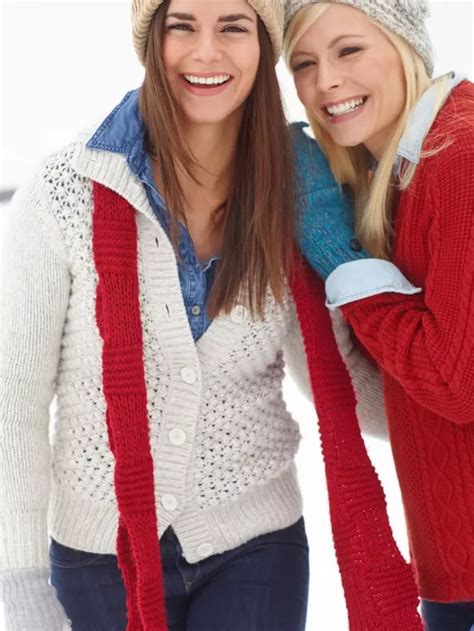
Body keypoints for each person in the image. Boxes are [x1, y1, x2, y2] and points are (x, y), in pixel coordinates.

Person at [0, 0, 391, 629]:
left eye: (233, 27)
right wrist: (19, 583)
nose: (206, 51)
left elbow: (343, 380)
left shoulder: (298, 194)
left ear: (263, 46)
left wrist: (442, 392)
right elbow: (14, 400)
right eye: (182, 26)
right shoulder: (64, 194)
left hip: (257, 545)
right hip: (99, 556)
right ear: (151, 40)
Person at [284, 1, 474, 629]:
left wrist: (342, 260)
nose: (326, 81)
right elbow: (395, 401)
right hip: (451, 563)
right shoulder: (395, 175)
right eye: (303, 63)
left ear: (404, 42)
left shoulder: (461, 156)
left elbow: (453, 384)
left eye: (349, 50)